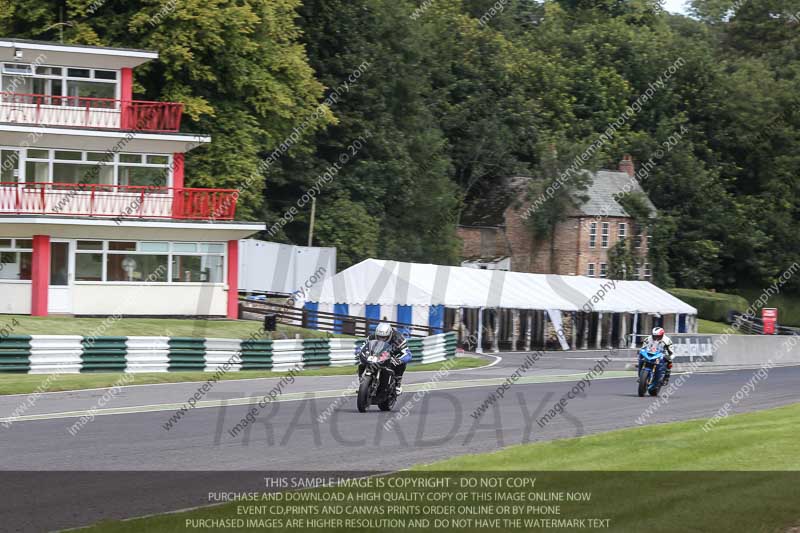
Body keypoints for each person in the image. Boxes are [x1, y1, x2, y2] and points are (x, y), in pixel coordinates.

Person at [357, 322, 412, 394]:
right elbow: (363, 347)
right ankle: (362, 382)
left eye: (384, 337)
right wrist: (360, 353)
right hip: (377, 354)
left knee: (401, 363)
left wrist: (399, 360)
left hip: (392, 355)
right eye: (379, 337)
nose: (381, 339)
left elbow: (408, 354)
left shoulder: (398, 338)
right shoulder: (372, 337)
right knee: (362, 362)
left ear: (389, 335)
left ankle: (397, 384)